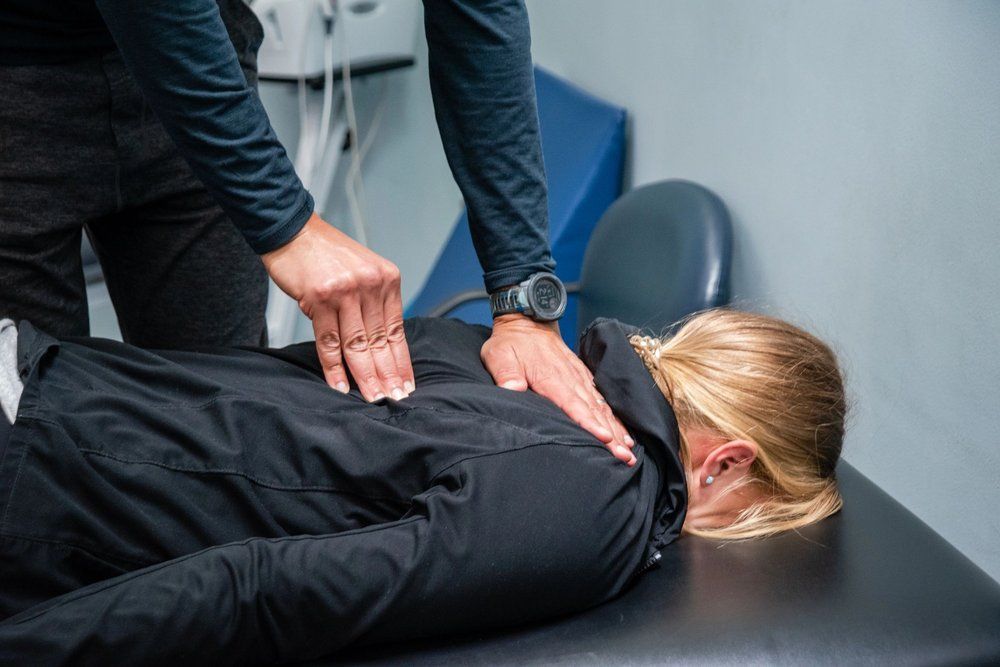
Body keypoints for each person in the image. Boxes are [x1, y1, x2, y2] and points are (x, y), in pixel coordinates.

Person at [0, 309, 846, 662]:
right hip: (44, 479)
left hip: (49, 372)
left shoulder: (515, 351)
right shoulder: (602, 496)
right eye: (763, 514)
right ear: (727, 462)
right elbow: (262, 588)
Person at [0, 0, 631, 459]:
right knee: (29, 444)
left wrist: (524, 301)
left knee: (231, 431)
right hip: (17, 75)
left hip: (203, 57)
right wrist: (289, 226)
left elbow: (477, 13)